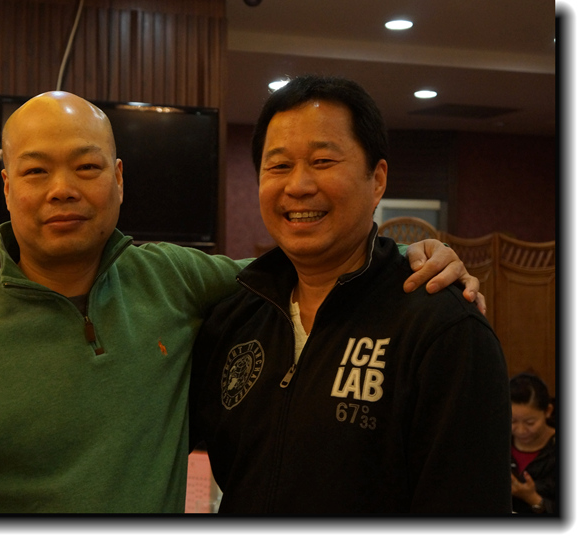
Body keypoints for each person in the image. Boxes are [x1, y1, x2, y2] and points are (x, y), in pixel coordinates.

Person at [0, 91, 480, 514]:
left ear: (119, 178)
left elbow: (309, 265)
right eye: (36, 172)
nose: (62, 189)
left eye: (87, 167)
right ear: (8, 186)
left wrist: (411, 254)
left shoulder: (171, 280)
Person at [189, 75, 512, 514]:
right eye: (278, 166)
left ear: (377, 179)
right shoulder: (233, 317)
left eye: (322, 161)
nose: (298, 185)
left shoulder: (443, 327)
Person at [510, 373, 557, 515]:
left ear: (547, 411)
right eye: (512, 421)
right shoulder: (497, 443)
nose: (520, 430)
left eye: (530, 423)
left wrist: (532, 498)